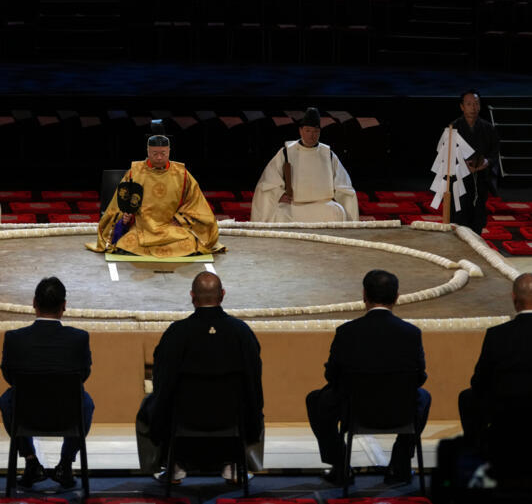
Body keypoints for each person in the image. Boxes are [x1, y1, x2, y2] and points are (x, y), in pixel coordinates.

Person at [135, 272, 264, 484]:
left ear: (192, 296)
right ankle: (235, 464)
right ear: (222, 295)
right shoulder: (241, 332)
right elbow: (254, 380)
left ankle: (172, 464)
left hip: (183, 419)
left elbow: (162, 380)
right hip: (232, 418)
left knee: (150, 405)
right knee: (254, 403)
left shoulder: (176, 333)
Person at [306, 269, 430, 486]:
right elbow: (419, 378)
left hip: (355, 411)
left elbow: (331, 375)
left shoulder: (347, 332)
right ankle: (399, 464)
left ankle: (340, 465)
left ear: (364, 295)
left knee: (316, 400)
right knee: (423, 397)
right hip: (399, 412)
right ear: (397, 297)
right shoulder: (411, 333)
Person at [0, 277, 94, 489]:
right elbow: (84, 375)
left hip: (25, 415)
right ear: (64, 306)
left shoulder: (15, 338)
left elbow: (9, 376)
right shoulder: (78, 338)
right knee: (86, 403)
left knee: (7, 400)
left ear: (34, 303)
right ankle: (66, 464)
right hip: (67, 415)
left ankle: (30, 460)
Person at [457, 272, 532, 445]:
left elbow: (479, 382)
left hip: (504, 413)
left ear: (513, 297)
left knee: (467, 397)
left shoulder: (496, 335)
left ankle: (480, 454)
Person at [88, 134, 223, 257]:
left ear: (169, 151)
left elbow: (195, 203)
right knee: (127, 243)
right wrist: (125, 217)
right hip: (141, 227)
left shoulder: (182, 174)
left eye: (163, 153)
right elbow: (119, 203)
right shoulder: (134, 172)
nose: (159, 157)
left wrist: (181, 219)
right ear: (148, 152)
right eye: (155, 153)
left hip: (171, 227)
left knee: (188, 243)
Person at [250, 107, 358, 223]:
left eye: (315, 131)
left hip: (323, 205)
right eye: (308, 131)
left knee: (338, 212)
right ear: (301, 130)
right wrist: (279, 194)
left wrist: (339, 196)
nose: (312, 135)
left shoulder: (328, 154)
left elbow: (344, 185)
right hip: (294, 205)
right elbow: (268, 182)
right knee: (281, 213)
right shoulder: (286, 152)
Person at [450, 90, 500, 234]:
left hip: (481, 178)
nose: (473, 107)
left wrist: (487, 162)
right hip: (460, 179)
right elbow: (445, 155)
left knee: (477, 217)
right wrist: (461, 165)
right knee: (459, 216)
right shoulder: (453, 127)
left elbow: (494, 153)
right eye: (469, 104)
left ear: (480, 106)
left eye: (476, 104)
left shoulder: (488, 128)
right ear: (462, 107)